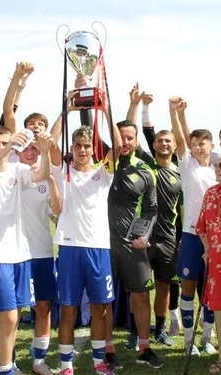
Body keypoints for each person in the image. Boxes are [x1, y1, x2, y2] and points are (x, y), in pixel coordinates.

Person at [0, 125, 53, 375]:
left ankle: (7, 366)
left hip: (20, 255)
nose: (2, 146)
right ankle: (4, 368)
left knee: (15, 316)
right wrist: (8, 148)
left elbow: (42, 175)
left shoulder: (18, 169)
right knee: (8, 318)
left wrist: (46, 152)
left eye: (5, 142)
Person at [49, 88, 122, 375]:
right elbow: (50, 143)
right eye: (77, 145)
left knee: (100, 308)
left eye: (86, 146)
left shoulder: (104, 173)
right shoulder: (62, 171)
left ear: (93, 149)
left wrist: (105, 111)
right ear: (73, 148)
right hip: (69, 247)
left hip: (98, 248)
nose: (81, 150)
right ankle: (66, 365)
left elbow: (117, 147)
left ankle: (98, 362)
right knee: (67, 309)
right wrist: (65, 111)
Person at [126, 87, 182, 347]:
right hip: (142, 234)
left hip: (168, 237)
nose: (163, 144)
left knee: (163, 287)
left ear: (173, 145)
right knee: (137, 288)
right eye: (160, 141)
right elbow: (130, 135)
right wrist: (136, 104)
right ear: (155, 145)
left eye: (168, 141)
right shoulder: (147, 164)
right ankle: (135, 332)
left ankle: (159, 329)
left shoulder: (180, 171)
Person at [107, 119, 164, 369]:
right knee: (104, 300)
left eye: (130, 138)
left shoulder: (144, 169)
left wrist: (144, 236)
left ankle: (144, 347)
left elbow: (151, 209)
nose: (126, 142)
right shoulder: (104, 163)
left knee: (141, 296)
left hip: (133, 246)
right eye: (122, 137)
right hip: (103, 244)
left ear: (137, 140)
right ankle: (107, 348)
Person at [170, 96, 217, 356]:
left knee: (212, 290)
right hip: (190, 235)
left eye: (203, 143)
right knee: (188, 286)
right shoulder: (187, 163)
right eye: (195, 144)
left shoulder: (217, 166)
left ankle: (207, 337)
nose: (198, 147)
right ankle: (189, 340)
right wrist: (178, 113)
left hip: (216, 237)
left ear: (212, 144)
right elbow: (182, 137)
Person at [15, 142, 61, 375]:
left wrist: (52, 181)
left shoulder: (46, 178)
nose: (30, 153)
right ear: (16, 152)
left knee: (44, 307)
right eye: (26, 149)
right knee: (13, 312)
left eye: (35, 149)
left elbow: (57, 211)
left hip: (42, 253)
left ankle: (39, 362)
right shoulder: (10, 175)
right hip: (15, 254)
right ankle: (8, 362)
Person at [196, 162, 221, 374]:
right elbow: (202, 226)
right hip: (216, 261)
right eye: (218, 168)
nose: (218, 172)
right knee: (219, 309)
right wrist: (206, 251)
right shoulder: (211, 193)